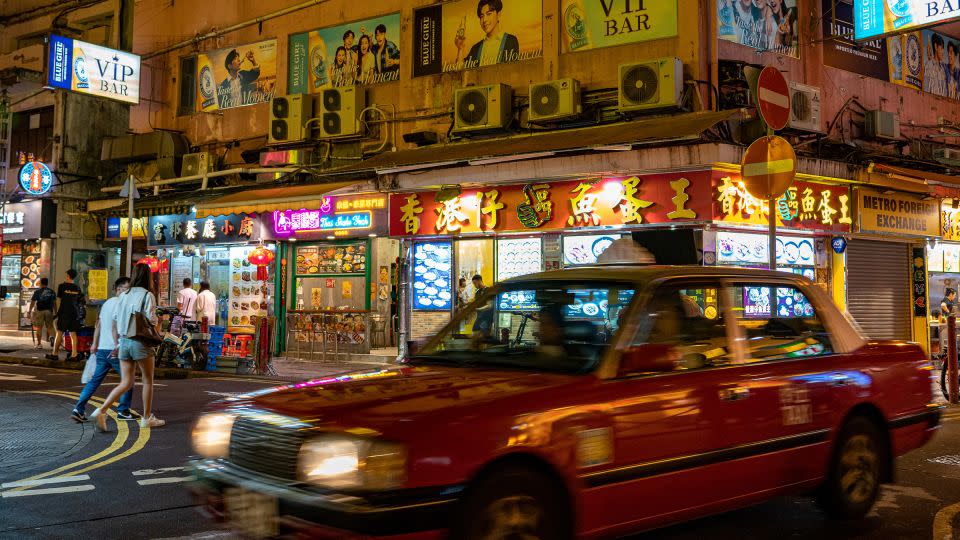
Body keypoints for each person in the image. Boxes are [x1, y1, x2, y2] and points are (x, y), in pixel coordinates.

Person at [90, 263, 164, 431]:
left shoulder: (124, 295)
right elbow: (151, 320)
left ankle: (100, 411)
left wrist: (117, 343)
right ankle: (146, 418)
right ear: (148, 277)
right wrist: (159, 321)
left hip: (124, 342)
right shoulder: (147, 295)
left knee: (126, 381)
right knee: (147, 381)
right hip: (140, 342)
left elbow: (116, 320)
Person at [71, 277, 138, 423]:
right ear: (118, 289)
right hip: (114, 350)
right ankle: (123, 410)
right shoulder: (121, 303)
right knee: (128, 380)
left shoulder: (107, 303)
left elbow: (98, 325)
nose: (129, 292)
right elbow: (115, 328)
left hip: (101, 349)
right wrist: (117, 346)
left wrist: (94, 344)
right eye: (126, 289)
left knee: (94, 381)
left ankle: (78, 409)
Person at [455, 0, 520, 67]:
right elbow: (461, 72)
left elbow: (512, 72)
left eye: (489, 14)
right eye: (482, 16)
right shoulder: (476, 48)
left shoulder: (510, 41)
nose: (484, 20)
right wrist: (460, 48)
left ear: (498, 14)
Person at [51, 269, 82, 361]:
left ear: (68, 276)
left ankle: (55, 354)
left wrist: (57, 312)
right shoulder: (77, 288)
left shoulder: (62, 286)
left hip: (64, 312)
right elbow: (78, 301)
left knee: (60, 332)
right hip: (74, 313)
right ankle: (74, 354)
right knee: (73, 334)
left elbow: (59, 300)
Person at [28, 277, 56, 350]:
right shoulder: (52, 292)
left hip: (40, 311)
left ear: (41, 283)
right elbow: (54, 303)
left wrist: (29, 311)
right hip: (49, 311)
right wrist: (55, 312)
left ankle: (39, 344)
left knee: (39, 327)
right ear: (47, 283)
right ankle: (52, 337)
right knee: (50, 327)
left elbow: (33, 302)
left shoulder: (37, 291)